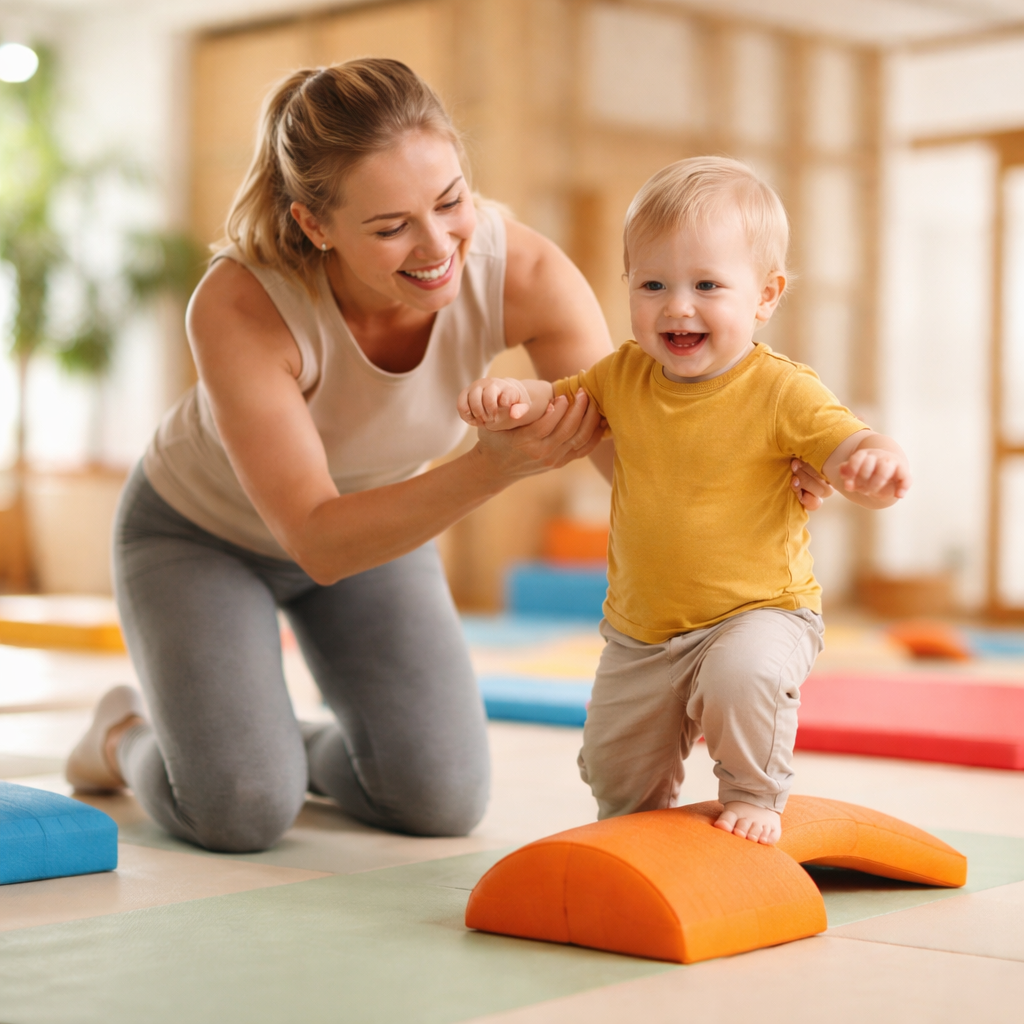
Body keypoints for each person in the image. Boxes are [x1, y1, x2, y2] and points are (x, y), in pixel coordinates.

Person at [67, 63, 830, 854]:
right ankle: (128, 732)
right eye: (391, 226)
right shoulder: (239, 301)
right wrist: (491, 466)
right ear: (316, 224)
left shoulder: (524, 271)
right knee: (239, 810)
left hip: (377, 527)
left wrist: (768, 471)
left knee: (435, 799)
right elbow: (318, 540)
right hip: (202, 538)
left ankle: (251, 739)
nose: (438, 247)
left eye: (450, 201)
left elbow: (639, 451)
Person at [458, 156, 911, 846]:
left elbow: (850, 442)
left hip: (758, 614)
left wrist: (877, 462)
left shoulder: (783, 389)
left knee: (744, 676)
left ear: (765, 295)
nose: (677, 305)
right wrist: (514, 398)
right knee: (615, 768)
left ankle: (755, 792)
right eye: (653, 284)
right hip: (642, 632)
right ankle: (636, 830)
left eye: (707, 284)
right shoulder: (624, 374)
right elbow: (560, 397)